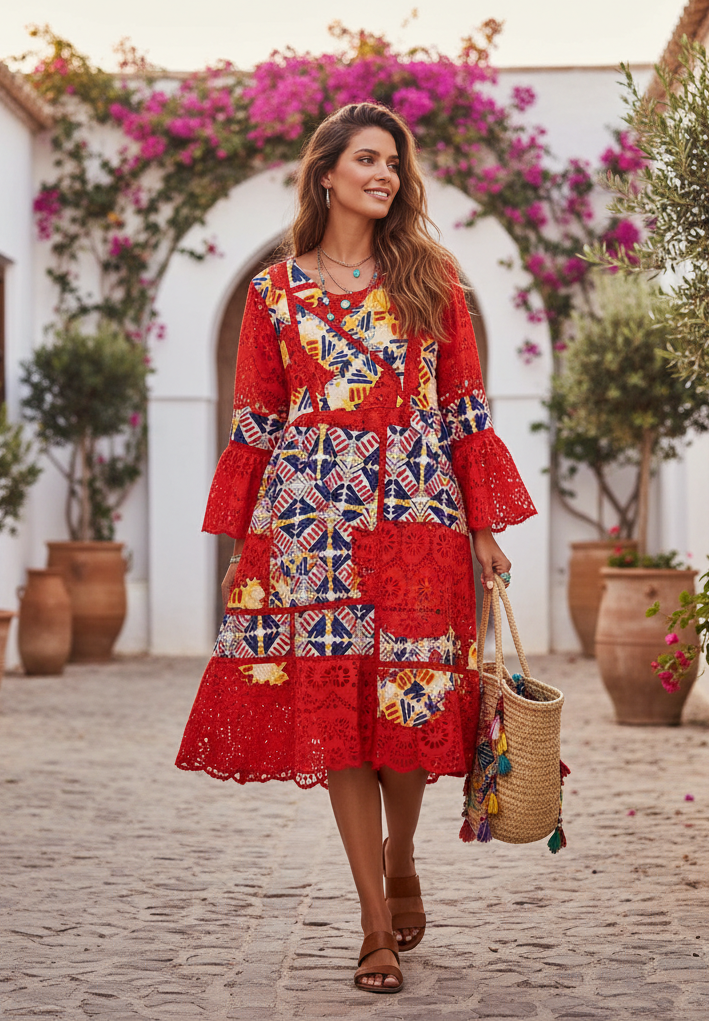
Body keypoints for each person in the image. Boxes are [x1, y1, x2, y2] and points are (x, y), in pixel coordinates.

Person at [176, 102, 536, 994]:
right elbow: (257, 425)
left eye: (395, 164)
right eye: (368, 160)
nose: (385, 175)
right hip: (306, 525)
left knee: (409, 713)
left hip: (418, 518)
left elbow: (465, 411)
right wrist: (239, 547)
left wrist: (484, 527)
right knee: (337, 715)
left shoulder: (433, 279)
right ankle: (374, 922)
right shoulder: (272, 293)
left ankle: (403, 852)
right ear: (326, 170)